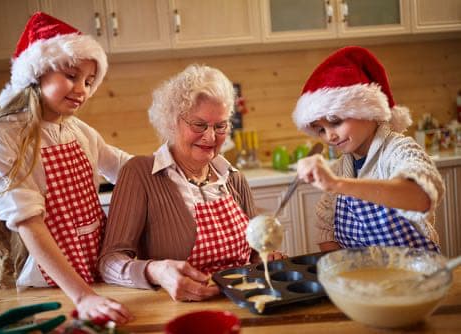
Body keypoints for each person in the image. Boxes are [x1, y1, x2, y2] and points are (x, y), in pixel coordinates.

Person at [0, 12, 133, 323]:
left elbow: (130, 171)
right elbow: (29, 222)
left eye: (88, 81)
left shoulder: (80, 132)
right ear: (37, 72)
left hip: (97, 269)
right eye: (71, 76)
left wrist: (178, 157)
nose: (82, 90)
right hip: (54, 281)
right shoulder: (1, 135)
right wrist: (83, 295)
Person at [99, 64, 283, 301]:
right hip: (181, 309)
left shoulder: (233, 177)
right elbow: (109, 262)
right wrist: (156, 270)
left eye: (220, 126)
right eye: (199, 125)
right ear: (172, 121)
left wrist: (266, 258)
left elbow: (254, 254)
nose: (210, 137)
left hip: (245, 302)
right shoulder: (141, 174)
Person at [292, 46, 444, 253]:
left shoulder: (398, 150)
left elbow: (421, 196)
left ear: (368, 111)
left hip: (413, 275)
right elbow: (325, 230)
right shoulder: (340, 168)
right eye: (320, 129)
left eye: (335, 122)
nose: (329, 136)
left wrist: (337, 184)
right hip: (362, 278)